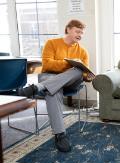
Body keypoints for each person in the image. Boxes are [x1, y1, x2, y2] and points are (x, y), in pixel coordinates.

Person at [18, 19, 92, 152]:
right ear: (68, 29)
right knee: (53, 90)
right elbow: (47, 64)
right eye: (77, 31)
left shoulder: (83, 52)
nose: (80, 35)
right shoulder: (51, 43)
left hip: (70, 82)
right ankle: (60, 134)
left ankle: (37, 87)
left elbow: (84, 73)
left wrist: (89, 76)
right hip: (49, 76)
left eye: (82, 33)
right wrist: (69, 64)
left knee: (79, 70)